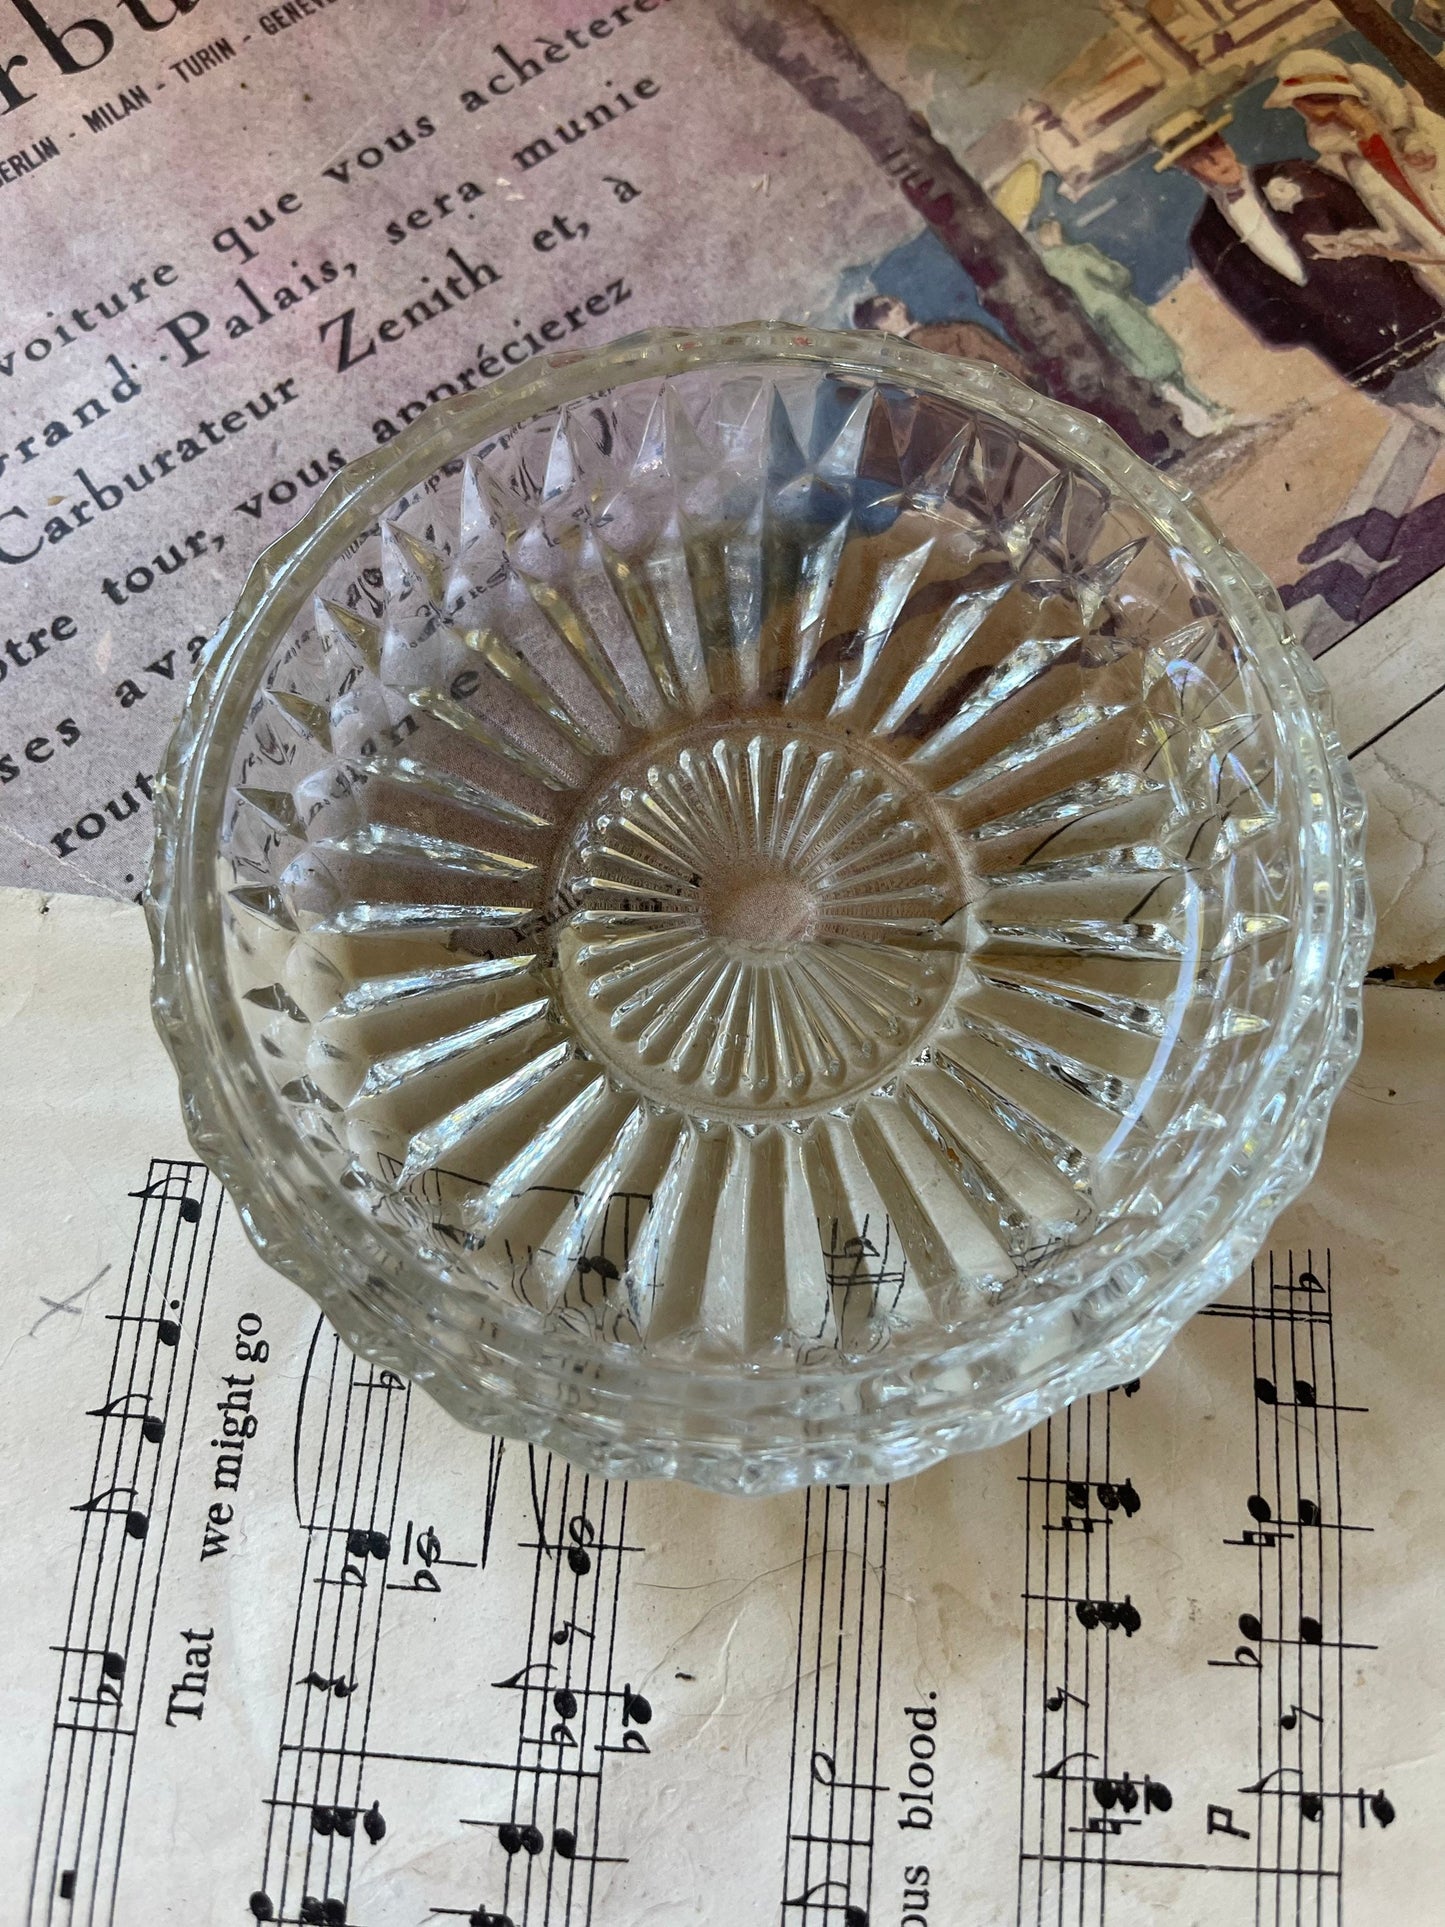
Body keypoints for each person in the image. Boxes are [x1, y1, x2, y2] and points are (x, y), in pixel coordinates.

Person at [1151, 105, 1445, 432]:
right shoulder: (1207, 238)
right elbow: (1263, 319)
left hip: (1419, 322)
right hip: (1359, 356)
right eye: (1199, 157)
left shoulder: (1296, 173)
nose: (1216, 159)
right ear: (1184, 167)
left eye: (1215, 145)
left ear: (1226, 141)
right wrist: (1320, 324)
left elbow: (1375, 229)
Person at [1265, 49, 1445, 295]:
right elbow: (1403, 236)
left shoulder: (1422, 127)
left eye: (1308, 104)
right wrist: (1351, 243)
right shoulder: (1357, 165)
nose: (1312, 118)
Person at [1028, 216, 1229, 435]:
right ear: (1053, 233)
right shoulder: (1075, 255)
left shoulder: (1047, 269)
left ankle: (1194, 416)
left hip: (1097, 324)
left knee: (1144, 369)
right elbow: (1114, 275)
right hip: (1119, 311)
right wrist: (1118, 276)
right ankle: (1209, 409)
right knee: (1166, 364)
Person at [851, 293, 1030, 380]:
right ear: (879, 328)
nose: (897, 305)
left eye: (892, 300)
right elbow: (970, 342)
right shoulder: (920, 342)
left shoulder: (919, 340)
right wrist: (1023, 374)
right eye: (885, 309)